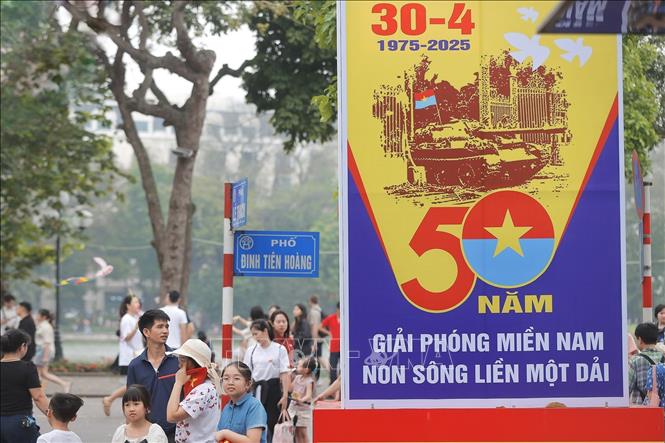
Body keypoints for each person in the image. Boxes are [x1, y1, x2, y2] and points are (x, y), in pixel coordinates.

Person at [127, 309, 180, 442]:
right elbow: (131, 402)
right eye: (160, 327)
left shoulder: (179, 360)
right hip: (147, 434)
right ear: (146, 332)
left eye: (167, 326)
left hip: (177, 432)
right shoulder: (135, 366)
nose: (165, 331)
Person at [166, 339, 221, 443]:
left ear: (194, 362)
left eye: (182, 360)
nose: (179, 365)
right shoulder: (203, 387)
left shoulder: (203, 390)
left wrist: (178, 383)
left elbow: (171, 416)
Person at [244, 319, 290, 442]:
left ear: (265, 331)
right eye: (253, 335)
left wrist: (285, 396)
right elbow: (246, 373)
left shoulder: (279, 349)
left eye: (256, 333)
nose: (255, 337)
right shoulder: (251, 351)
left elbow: (284, 373)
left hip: (274, 390)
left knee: (272, 422)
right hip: (257, 390)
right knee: (256, 423)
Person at [1, 328, 49, 443]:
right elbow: (38, 397)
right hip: (20, 422)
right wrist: (53, 416)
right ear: (22, 346)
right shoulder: (27, 368)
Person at [103, 294, 144, 416]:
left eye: (138, 302)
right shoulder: (126, 319)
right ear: (128, 305)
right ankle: (110, 399)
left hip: (137, 355)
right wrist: (136, 327)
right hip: (129, 357)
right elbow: (126, 338)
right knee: (131, 385)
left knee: (134, 385)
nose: (138, 304)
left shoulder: (135, 317)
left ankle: (111, 400)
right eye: (135, 302)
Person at [215, 361, 267, 443]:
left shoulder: (255, 406)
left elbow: (253, 441)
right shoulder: (227, 408)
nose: (230, 382)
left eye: (236, 378)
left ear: (248, 384)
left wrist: (225, 433)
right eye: (226, 378)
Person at [34, 309, 71, 393]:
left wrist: (45, 356)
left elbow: (47, 342)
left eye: (38, 315)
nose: (36, 316)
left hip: (43, 351)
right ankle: (64, 384)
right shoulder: (42, 325)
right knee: (43, 374)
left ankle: (37, 391)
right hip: (42, 350)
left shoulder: (46, 327)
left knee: (37, 373)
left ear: (44, 317)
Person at [628, 323, 664, 405]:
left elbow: (628, 388)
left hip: (642, 408)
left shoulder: (635, 360)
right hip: (662, 409)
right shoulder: (663, 357)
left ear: (640, 339)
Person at [288, 356, 317, 443]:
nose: (297, 367)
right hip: (293, 408)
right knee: (296, 431)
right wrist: (288, 376)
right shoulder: (297, 378)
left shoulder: (309, 381)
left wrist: (301, 400)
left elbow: (308, 395)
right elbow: (290, 389)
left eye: (299, 366)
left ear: (306, 369)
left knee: (303, 432)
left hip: (303, 410)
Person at [320, 302, 340, 384]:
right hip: (334, 347)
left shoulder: (347, 317)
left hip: (345, 347)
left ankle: (341, 387)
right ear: (337, 309)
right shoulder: (331, 318)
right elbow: (320, 327)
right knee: (333, 368)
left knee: (344, 369)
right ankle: (332, 385)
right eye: (339, 309)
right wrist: (328, 333)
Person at [307, 296, 323, 372]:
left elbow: (314, 327)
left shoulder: (314, 312)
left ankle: (333, 373)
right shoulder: (319, 310)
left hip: (315, 338)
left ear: (310, 301)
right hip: (318, 338)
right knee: (318, 358)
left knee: (319, 358)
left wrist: (314, 342)